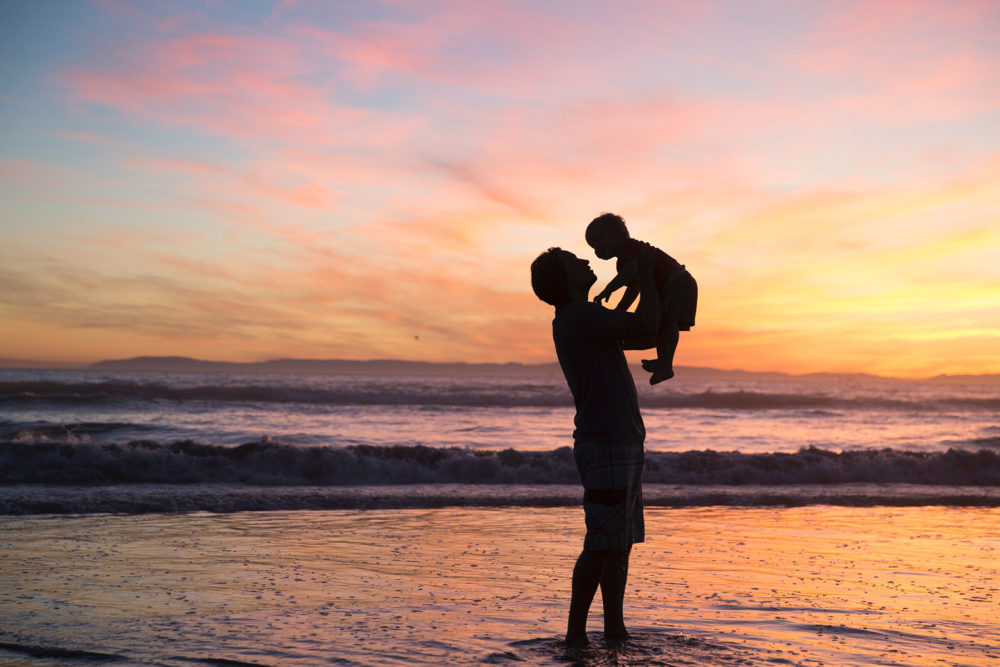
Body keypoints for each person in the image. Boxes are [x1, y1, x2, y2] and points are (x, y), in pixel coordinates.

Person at [530, 244, 660, 648]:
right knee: (604, 543)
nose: (587, 262)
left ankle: (613, 629)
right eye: (576, 262)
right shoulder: (578, 315)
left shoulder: (584, 319)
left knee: (617, 543)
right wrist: (653, 277)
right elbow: (647, 325)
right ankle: (576, 635)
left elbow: (639, 332)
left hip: (617, 440)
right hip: (606, 441)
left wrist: (639, 288)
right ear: (566, 281)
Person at [585, 212, 698, 384]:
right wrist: (619, 312)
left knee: (667, 322)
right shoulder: (623, 261)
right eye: (594, 247)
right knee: (662, 323)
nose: (598, 249)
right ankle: (665, 366)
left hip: (678, 283)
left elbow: (630, 274)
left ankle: (666, 363)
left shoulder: (632, 249)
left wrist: (608, 290)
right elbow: (634, 288)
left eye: (600, 242)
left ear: (620, 235)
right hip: (670, 287)